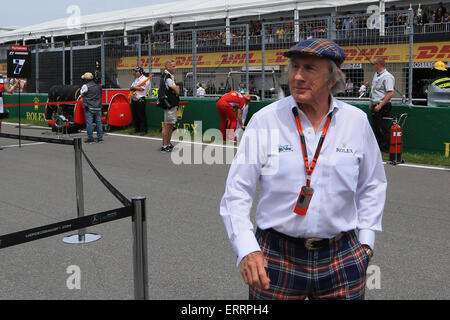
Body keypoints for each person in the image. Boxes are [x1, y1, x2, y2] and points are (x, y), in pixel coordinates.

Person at [220, 38, 387, 300]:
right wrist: (247, 249)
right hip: (275, 256)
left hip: (341, 254)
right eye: (294, 66)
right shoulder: (265, 120)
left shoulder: (356, 122)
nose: (297, 76)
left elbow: (373, 185)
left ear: (332, 78)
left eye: (309, 68)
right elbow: (237, 191)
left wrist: (366, 243)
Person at [369, 57, 395, 153]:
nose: (373, 66)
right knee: (376, 127)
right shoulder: (376, 75)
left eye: (374, 64)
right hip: (376, 104)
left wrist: (380, 105)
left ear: (378, 65)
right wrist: (372, 102)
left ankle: (385, 148)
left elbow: (390, 93)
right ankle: (378, 147)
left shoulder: (387, 76)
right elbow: (374, 90)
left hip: (383, 105)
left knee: (383, 128)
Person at [161, 60, 180, 153]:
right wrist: (177, 87)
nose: (175, 68)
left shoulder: (168, 76)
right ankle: (165, 145)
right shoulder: (167, 77)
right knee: (168, 125)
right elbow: (177, 90)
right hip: (169, 103)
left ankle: (168, 143)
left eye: (175, 66)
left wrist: (176, 88)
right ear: (167, 67)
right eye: (173, 66)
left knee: (171, 124)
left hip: (171, 103)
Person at [80, 72, 103, 143]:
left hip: (89, 107)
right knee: (99, 122)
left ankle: (90, 138)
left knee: (89, 123)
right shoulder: (99, 86)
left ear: (86, 79)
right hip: (98, 106)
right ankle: (100, 138)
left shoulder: (85, 86)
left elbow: (81, 93)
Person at [0, 76, 19, 150]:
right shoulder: (2, 82)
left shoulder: (2, 82)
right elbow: (9, 91)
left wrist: (15, 85)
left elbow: (9, 91)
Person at [130, 67, 150, 136]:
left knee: (141, 115)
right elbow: (132, 86)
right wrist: (134, 88)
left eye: (136, 71)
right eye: (135, 71)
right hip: (134, 98)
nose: (135, 73)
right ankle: (137, 128)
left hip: (141, 98)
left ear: (140, 72)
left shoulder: (145, 79)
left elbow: (142, 88)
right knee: (135, 114)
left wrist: (134, 88)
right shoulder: (136, 79)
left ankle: (144, 130)